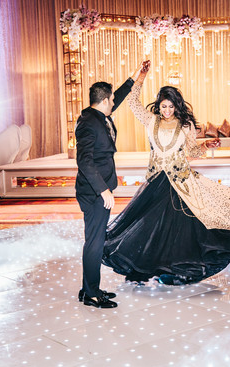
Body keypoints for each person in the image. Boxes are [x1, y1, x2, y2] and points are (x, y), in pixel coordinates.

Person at [102, 61, 230, 286]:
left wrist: (206, 146)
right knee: (152, 227)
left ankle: (177, 268)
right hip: (156, 181)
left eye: (171, 107)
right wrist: (140, 77)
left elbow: (191, 152)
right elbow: (132, 101)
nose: (167, 111)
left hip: (181, 181)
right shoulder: (150, 120)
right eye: (163, 106)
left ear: (177, 106)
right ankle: (150, 267)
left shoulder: (185, 125)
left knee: (186, 228)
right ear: (158, 106)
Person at [75, 62, 148, 308]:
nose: (113, 102)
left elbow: (119, 97)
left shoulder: (98, 114)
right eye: (111, 100)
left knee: (95, 240)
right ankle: (91, 294)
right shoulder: (88, 123)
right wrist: (103, 189)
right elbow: (84, 161)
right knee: (95, 242)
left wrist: (135, 77)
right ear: (104, 100)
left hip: (98, 189)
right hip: (94, 192)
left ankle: (89, 288)